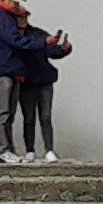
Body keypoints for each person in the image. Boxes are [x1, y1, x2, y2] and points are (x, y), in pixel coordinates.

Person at [0, 0, 64, 163]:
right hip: (4, 70)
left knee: (12, 113)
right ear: (6, 1)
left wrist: (62, 48)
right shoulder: (0, 17)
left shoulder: (8, 19)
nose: (19, 8)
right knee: (4, 112)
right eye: (16, 4)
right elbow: (15, 41)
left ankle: (9, 150)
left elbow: (50, 51)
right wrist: (44, 42)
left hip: (14, 72)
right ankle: (3, 150)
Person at [13, 15, 72, 162]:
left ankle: (49, 150)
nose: (23, 19)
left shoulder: (37, 34)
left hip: (44, 80)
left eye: (25, 16)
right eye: (19, 16)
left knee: (45, 116)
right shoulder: (11, 36)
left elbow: (52, 51)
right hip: (26, 82)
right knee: (29, 118)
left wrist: (65, 49)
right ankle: (30, 150)